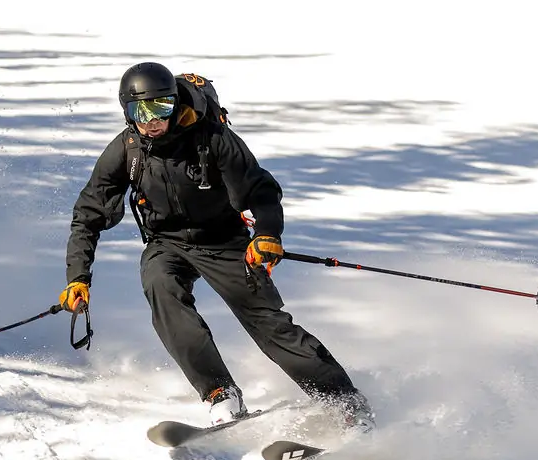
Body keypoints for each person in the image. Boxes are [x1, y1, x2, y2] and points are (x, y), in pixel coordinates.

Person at [59, 62, 374, 430]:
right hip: (168, 243)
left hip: (225, 239)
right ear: (125, 112)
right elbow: (88, 214)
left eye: (160, 108)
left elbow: (262, 191)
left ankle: (346, 402)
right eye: (138, 112)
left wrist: (267, 235)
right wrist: (77, 277)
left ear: (174, 104)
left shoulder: (213, 139)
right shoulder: (127, 150)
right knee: (161, 285)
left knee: (268, 323)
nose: (151, 121)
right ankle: (220, 394)